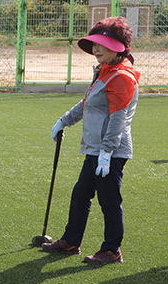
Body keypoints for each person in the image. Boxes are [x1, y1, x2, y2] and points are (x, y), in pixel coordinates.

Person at [42, 17, 139, 264]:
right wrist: (65, 120)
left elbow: (118, 118)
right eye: (94, 44)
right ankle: (71, 241)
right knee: (81, 194)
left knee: (109, 200)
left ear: (118, 46)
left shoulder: (121, 76)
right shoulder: (105, 71)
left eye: (102, 44)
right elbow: (88, 104)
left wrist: (107, 152)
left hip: (111, 152)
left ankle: (111, 250)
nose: (96, 49)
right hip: (96, 149)